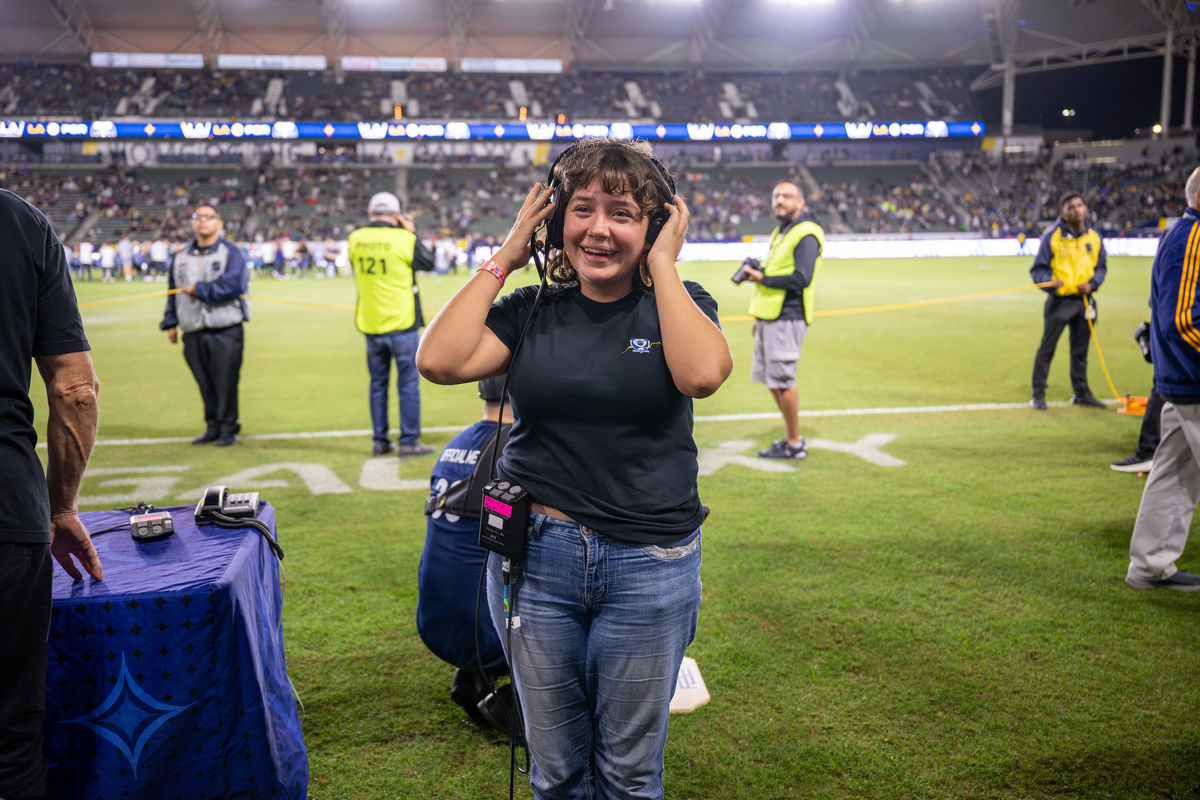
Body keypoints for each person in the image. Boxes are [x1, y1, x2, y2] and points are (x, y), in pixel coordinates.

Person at [416, 138, 733, 800]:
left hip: (649, 564)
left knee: (628, 773)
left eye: (622, 212)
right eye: (581, 209)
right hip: (538, 564)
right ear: (555, 219)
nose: (598, 229)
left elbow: (702, 374)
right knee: (555, 771)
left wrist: (665, 266)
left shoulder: (680, 298)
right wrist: (508, 255)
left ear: (651, 225)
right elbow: (440, 361)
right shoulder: (531, 308)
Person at [0, 187, 102, 799]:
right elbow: (74, 390)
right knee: (12, 733)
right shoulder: (21, 221)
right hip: (7, 507)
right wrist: (59, 505)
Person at [418, 376, 515, 733]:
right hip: (486, 634)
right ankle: (514, 704)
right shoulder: (519, 448)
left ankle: (471, 678)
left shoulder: (456, 443)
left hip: (436, 623)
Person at [1125, 166, 1200, 591]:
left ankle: (1150, 566)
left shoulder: (1187, 235)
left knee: (1173, 475)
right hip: (1193, 381)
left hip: (1181, 381)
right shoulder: (1193, 239)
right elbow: (1181, 320)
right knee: (1174, 474)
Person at [737, 180, 823, 460]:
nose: (780, 201)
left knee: (783, 379)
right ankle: (791, 438)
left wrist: (762, 277)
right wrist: (759, 318)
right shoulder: (781, 231)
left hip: (788, 315)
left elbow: (802, 278)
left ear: (801, 202)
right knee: (773, 378)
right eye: (776, 196)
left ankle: (795, 443)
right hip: (770, 317)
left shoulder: (807, 233)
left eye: (787, 196)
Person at [348, 191, 436, 457]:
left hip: (371, 323)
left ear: (370, 213)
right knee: (408, 384)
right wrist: (411, 233)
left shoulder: (355, 239)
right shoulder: (404, 239)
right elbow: (429, 263)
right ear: (397, 215)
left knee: (378, 385)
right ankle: (408, 441)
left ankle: (380, 440)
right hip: (402, 322)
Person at [159, 203, 250, 447]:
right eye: (198, 216)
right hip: (193, 328)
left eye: (208, 217)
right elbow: (173, 292)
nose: (203, 221)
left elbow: (234, 285)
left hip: (226, 328)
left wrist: (200, 290)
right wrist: (171, 322)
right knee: (204, 381)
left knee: (226, 381)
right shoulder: (181, 256)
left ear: (219, 222)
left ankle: (228, 427)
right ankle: (212, 425)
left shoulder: (232, 253)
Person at [1028, 193, 1108, 410]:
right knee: (1047, 349)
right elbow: (1038, 269)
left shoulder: (1094, 237)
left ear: (1086, 208)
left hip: (1084, 302)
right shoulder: (1052, 236)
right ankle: (1038, 395)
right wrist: (1049, 282)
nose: (1077, 210)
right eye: (1071, 207)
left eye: (1080, 205)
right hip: (1059, 303)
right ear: (1063, 212)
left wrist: (1092, 284)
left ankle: (1081, 394)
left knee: (1080, 352)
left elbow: (1101, 268)